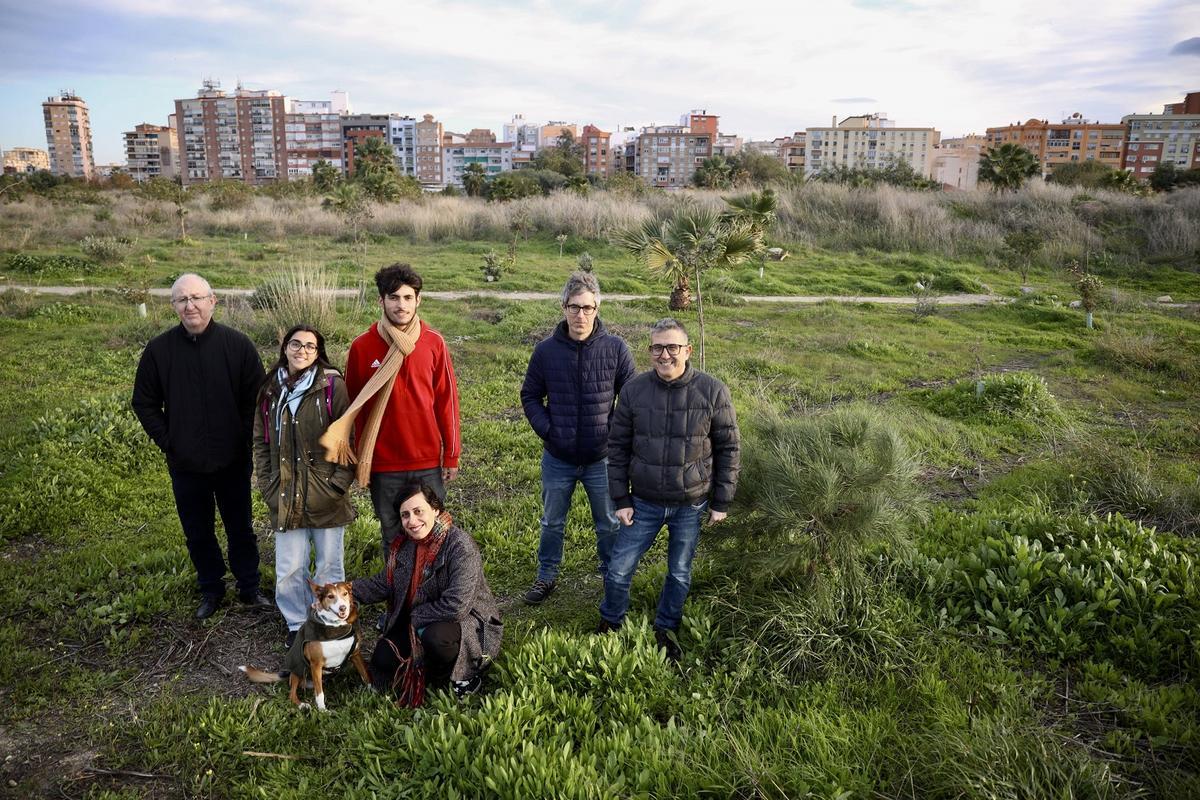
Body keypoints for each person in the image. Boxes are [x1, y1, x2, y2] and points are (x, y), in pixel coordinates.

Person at [598, 318, 741, 662]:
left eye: (672, 347)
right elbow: (617, 447)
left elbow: (728, 448)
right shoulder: (634, 390)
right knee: (618, 569)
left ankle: (666, 626)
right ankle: (611, 621)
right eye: (657, 347)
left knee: (679, 571)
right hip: (643, 502)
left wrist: (721, 501)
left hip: (690, 505)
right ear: (650, 352)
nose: (665, 355)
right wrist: (621, 498)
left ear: (687, 350)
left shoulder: (713, 390)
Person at [132, 273, 269, 620]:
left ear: (213, 301)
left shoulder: (238, 345)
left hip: (233, 460)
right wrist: (169, 441)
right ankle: (211, 588)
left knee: (241, 526)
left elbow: (256, 400)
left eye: (196, 297)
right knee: (197, 531)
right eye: (182, 299)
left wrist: (242, 440)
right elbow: (144, 402)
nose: (190, 305)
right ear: (173, 306)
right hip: (185, 463)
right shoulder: (159, 350)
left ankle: (249, 587)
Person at [326, 264, 460, 566]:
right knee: (393, 537)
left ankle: (431, 606)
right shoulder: (362, 346)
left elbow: (446, 402)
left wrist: (451, 455)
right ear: (381, 301)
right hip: (384, 464)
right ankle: (399, 606)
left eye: (408, 297)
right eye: (394, 297)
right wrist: (363, 459)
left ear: (418, 300)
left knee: (434, 536)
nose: (402, 305)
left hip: (427, 461)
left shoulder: (433, 343)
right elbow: (356, 409)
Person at [520, 271, 635, 604]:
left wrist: (612, 434)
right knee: (552, 522)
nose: (580, 315)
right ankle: (546, 577)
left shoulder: (616, 349)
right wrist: (549, 429)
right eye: (574, 307)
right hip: (558, 458)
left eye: (587, 307)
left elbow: (629, 398)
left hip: (602, 459)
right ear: (563, 307)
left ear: (597, 307)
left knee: (610, 523)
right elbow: (530, 396)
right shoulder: (545, 351)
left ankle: (612, 574)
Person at [252, 325, 356, 647]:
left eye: (310, 346)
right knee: (288, 570)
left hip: (326, 495)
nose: (303, 351)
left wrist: (337, 486)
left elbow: (348, 437)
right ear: (285, 347)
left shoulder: (332, 386)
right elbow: (260, 440)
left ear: (318, 352)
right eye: (296, 344)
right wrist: (268, 484)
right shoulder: (270, 389)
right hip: (284, 493)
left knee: (329, 566)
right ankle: (298, 626)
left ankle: (329, 624)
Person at [352, 483, 502, 704]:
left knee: (435, 638)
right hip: (419, 621)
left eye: (418, 511)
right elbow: (383, 584)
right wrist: (343, 590)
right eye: (405, 515)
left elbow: (457, 605)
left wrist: (415, 617)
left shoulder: (460, 546)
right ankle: (430, 672)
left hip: (464, 621)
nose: (412, 521)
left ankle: (466, 676)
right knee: (383, 658)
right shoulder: (404, 546)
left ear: (435, 509)